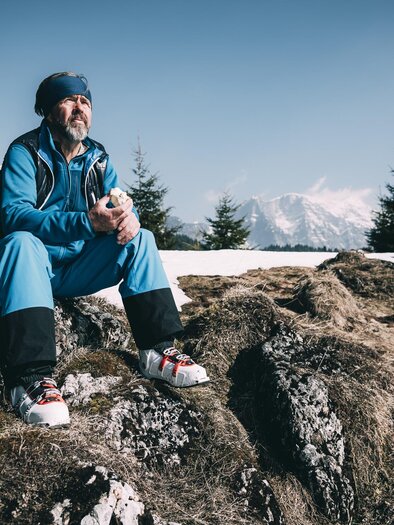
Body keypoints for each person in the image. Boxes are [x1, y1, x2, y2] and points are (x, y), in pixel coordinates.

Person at [0, 72, 209, 428]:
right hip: (33, 269)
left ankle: (157, 351)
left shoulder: (98, 159)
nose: (79, 107)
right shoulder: (25, 152)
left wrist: (130, 220)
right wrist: (85, 222)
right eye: (69, 100)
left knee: (141, 238)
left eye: (85, 102)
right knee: (19, 241)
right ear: (50, 112)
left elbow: (120, 202)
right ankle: (27, 380)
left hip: (80, 267)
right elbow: (13, 216)